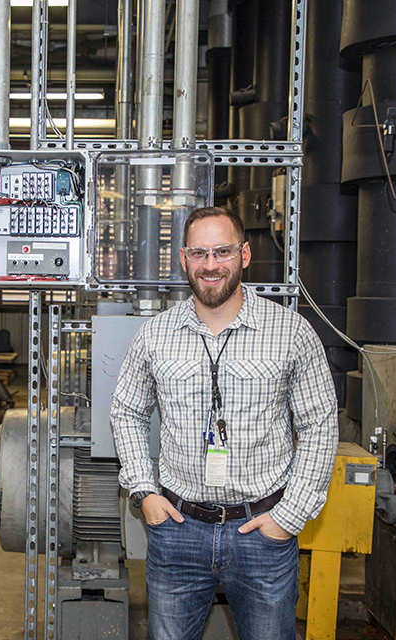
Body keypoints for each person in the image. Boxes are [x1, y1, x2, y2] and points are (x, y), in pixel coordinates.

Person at [111, 205, 338, 640]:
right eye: (198, 253)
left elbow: (320, 424)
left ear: (245, 254)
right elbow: (127, 410)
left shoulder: (291, 332)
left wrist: (290, 515)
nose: (210, 265)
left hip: (263, 533)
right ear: (183, 260)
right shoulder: (155, 335)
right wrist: (144, 492)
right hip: (177, 531)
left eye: (222, 251)